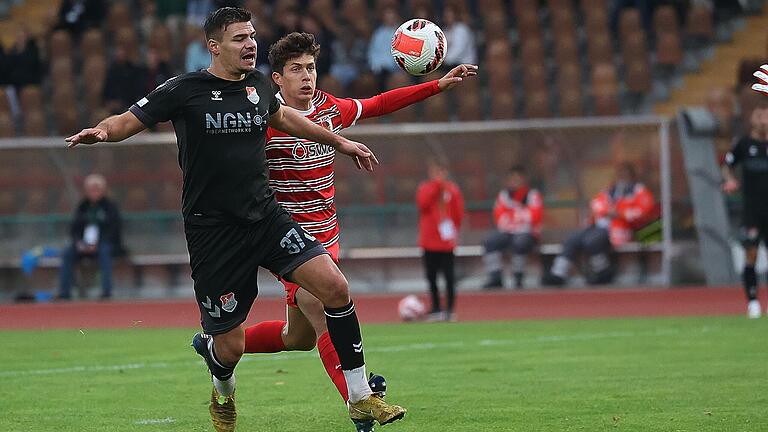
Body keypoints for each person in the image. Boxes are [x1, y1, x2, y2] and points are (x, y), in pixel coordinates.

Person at [65, 8, 405, 432]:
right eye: (239, 38)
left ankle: (359, 399)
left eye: (251, 37)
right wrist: (102, 131)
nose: (250, 45)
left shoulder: (260, 87)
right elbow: (126, 120)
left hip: (265, 217)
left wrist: (341, 141)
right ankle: (221, 387)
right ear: (214, 46)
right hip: (214, 232)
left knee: (334, 287)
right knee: (231, 345)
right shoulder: (184, 89)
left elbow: (286, 119)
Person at [241, 31, 477, 431]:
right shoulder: (266, 118)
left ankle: (220, 344)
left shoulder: (329, 108)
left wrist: (437, 84)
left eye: (310, 68)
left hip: (327, 234)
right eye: (295, 69)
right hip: (285, 238)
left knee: (296, 336)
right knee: (321, 305)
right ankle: (360, 398)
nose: (306, 76)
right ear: (276, 79)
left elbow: (379, 104)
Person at [543, 162, 656, 286]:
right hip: (598, 225)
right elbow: (596, 204)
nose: (622, 177)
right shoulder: (611, 190)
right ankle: (558, 273)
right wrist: (607, 211)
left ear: (632, 175)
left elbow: (644, 211)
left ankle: (603, 272)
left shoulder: (638, 190)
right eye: (620, 174)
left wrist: (620, 213)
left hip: (620, 228)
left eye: (626, 174)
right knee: (572, 240)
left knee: (591, 241)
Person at [722, 105, 768, 318]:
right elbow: (728, 165)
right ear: (752, 120)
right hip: (752, 210)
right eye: (759, 114)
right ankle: (753, 302)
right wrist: (730, 180)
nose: (763, 119)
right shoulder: (743, 144)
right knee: (751, 254)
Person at [57, 174, 124, 300]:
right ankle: (64, 292)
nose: (93, 192)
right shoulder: (82, 207)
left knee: (105, 252)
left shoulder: (110, 207)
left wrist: (97, 243)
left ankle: (106, 291)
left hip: (104, 244)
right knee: (67, 253)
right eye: (90, 189)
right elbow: (74, 229)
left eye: (96, 189)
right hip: (84, 245)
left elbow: (114, 229)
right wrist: (79, 243)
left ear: (103, 190)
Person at [416, 159, 465, 321]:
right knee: (432, 277)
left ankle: (450, 309)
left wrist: (453, 233)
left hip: (446, 243)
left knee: (449, 277)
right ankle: (436, 308)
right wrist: (437, 186)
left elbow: (458, 213)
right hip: (429, 241)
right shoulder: (425, 188)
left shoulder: (452, 190)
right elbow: (423, 204)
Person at [482, 166, 543, 289]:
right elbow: (499, 216)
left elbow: (534, 216)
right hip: (507, 232)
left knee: (520, 243)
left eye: (518, 179)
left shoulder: (532, 194)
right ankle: (495, 276)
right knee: (490, 241)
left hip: (527, 232)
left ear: (523, 179)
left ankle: (518, 276)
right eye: (512, 179)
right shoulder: (504, 195)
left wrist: (514, 216)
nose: (514, 182)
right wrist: (519, 215)